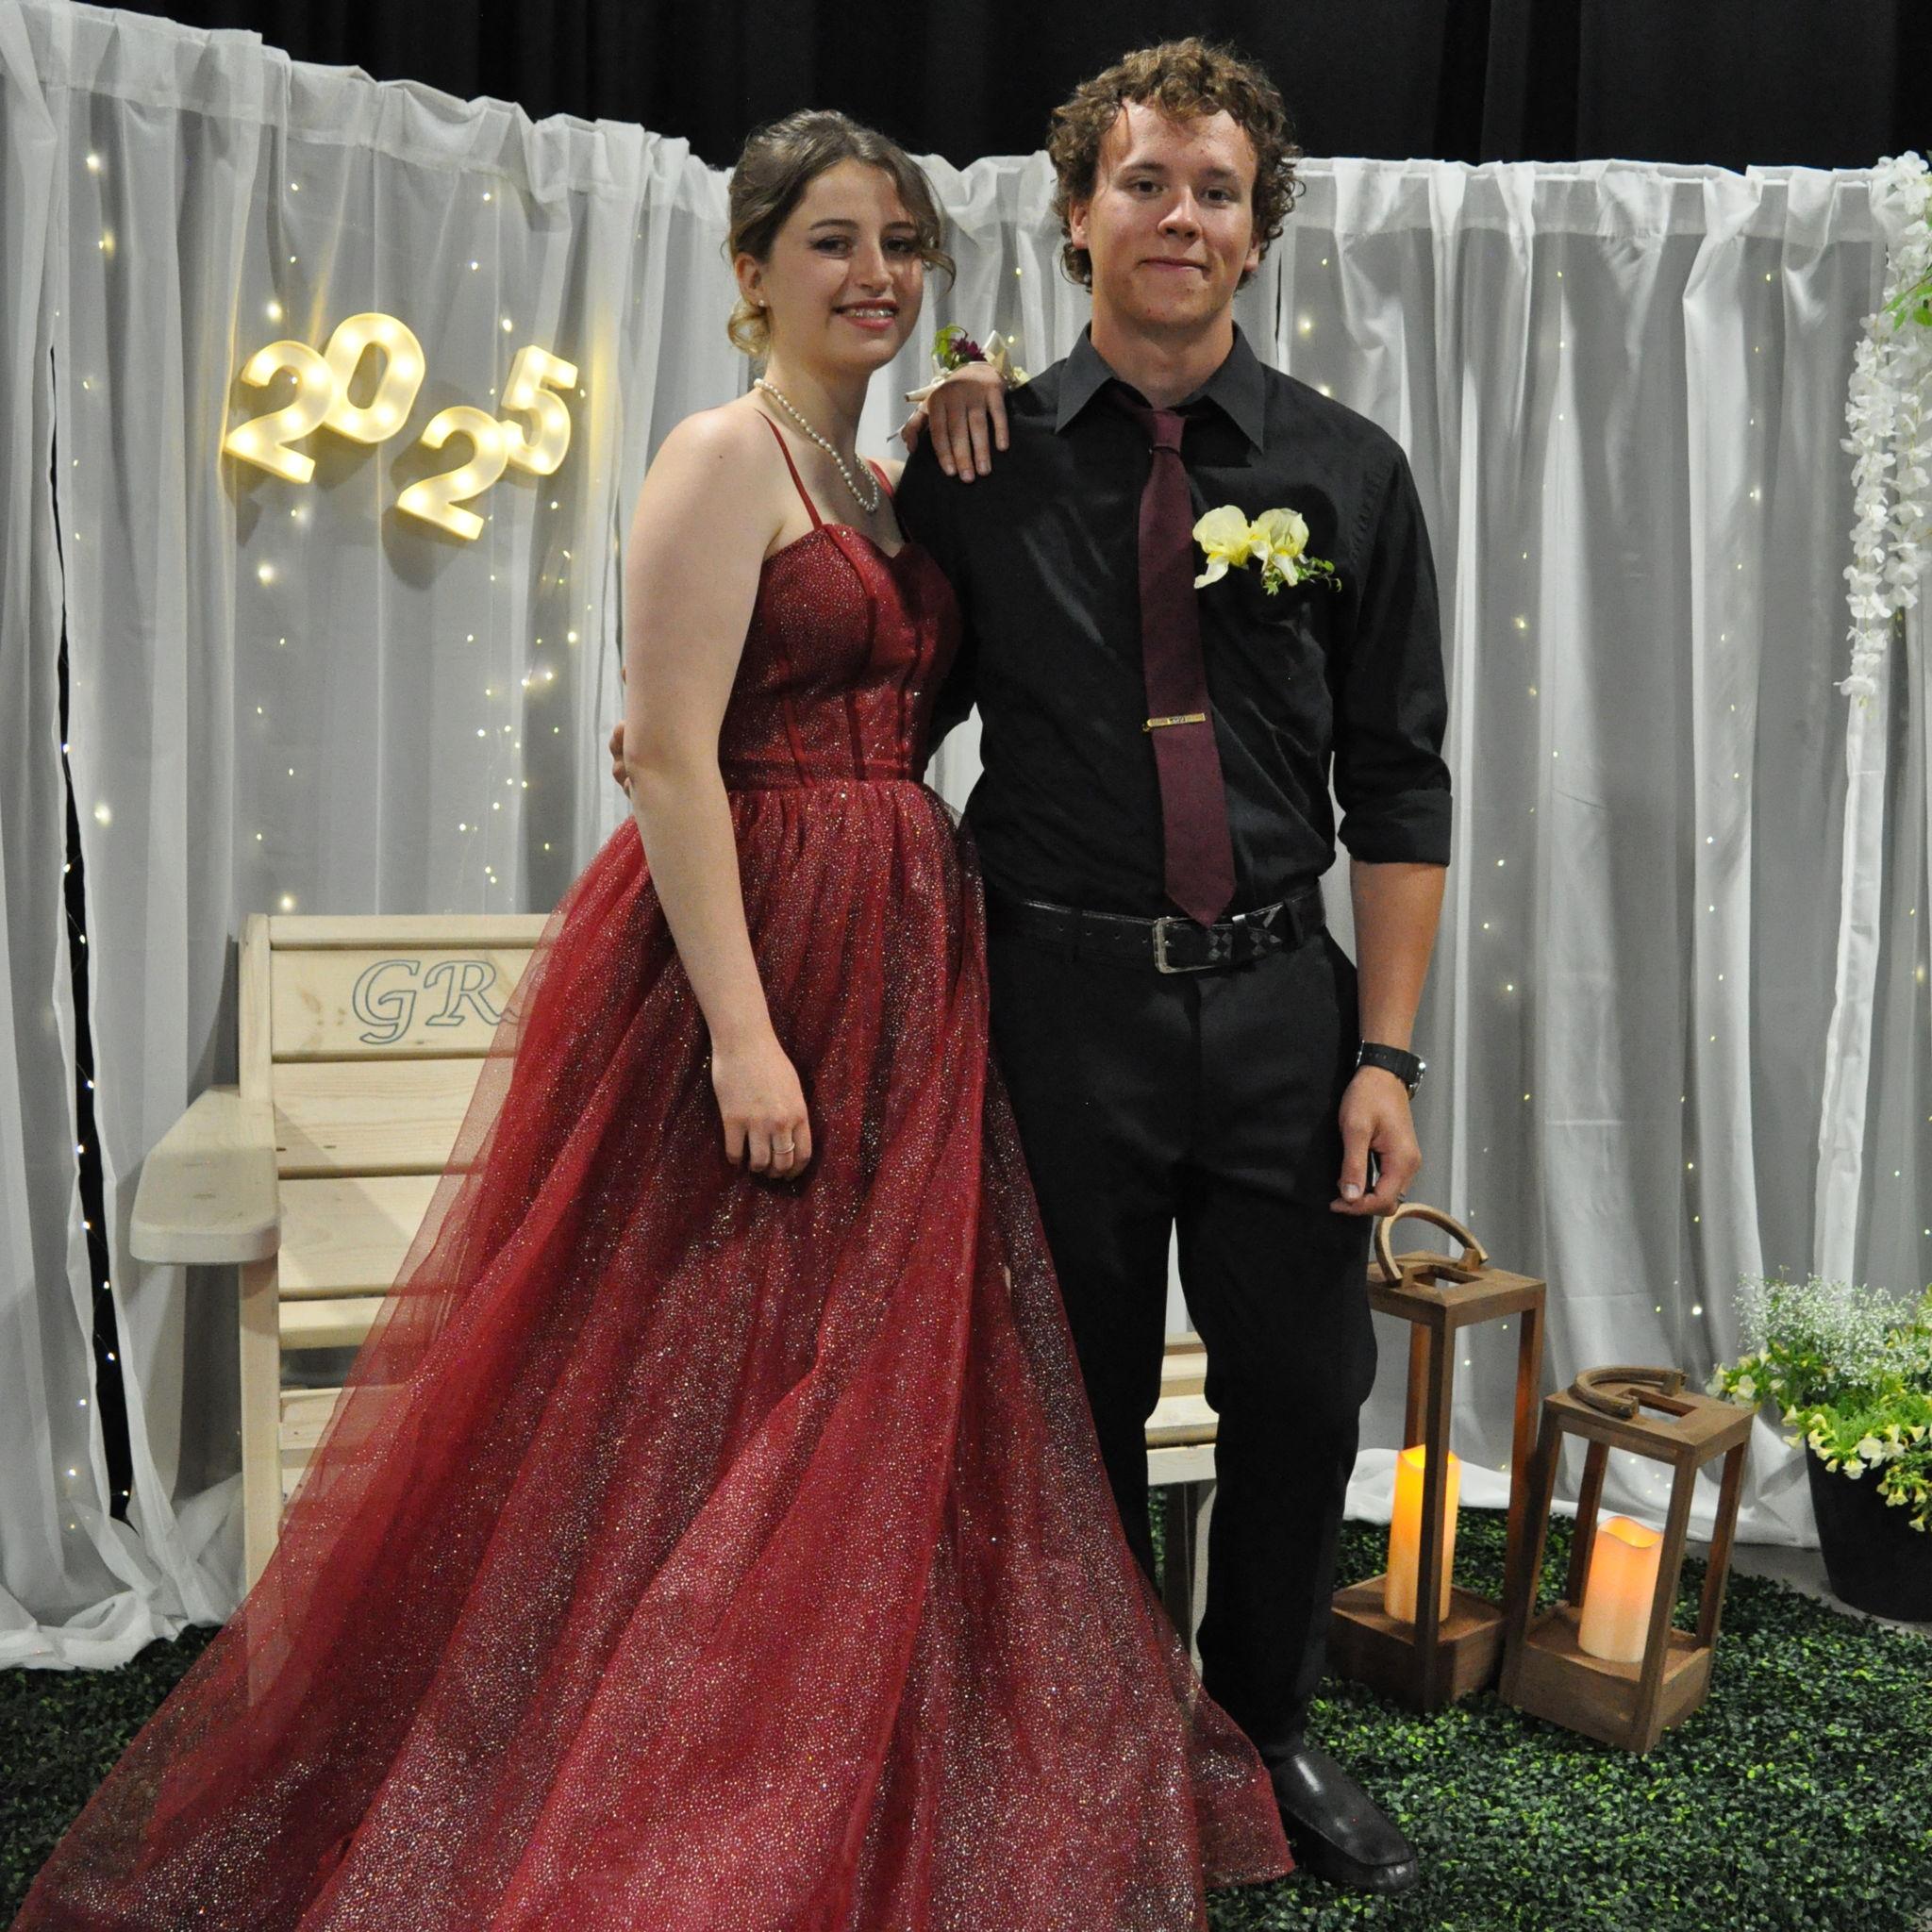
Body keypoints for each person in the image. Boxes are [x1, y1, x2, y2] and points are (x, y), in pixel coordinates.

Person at [11, 112, 1292, 1932]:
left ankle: (835, 1724)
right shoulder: (716, 456)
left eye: (902, 244)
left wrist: (968, 415)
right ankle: (667, 1755)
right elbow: (672, 760)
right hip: (752, 951)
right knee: (705, 1366)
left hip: (905, 957)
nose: (876, 275)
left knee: (855, 1365)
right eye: (834, 241)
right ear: (752, 269)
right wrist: (742, 1037)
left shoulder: (878, 479)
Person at [620, 40, 1452, 1897]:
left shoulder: (1351, 471)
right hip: (1045, 1008)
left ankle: (1264, 1728)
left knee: (1303, 1390)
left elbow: (1403, 783)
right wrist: (705, 802)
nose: (1180, 217)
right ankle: (1097, 1735)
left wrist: (1385, 1053)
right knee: (1065, 1404)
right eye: (1143, 183)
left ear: (1258, 232)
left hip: (1282, 1007)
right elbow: (865, 696)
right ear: (1077, 217)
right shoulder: (967, 463)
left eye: (1216, 191)